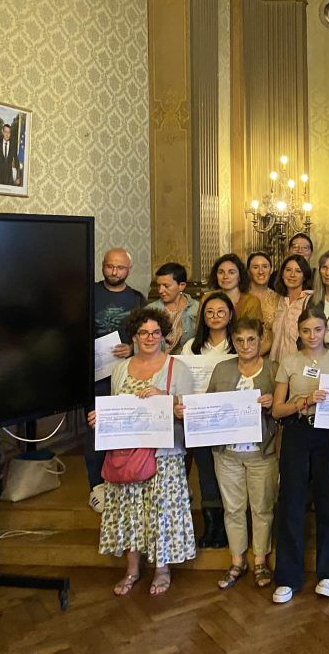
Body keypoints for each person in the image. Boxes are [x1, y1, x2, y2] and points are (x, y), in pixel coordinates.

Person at [88, 307, 195, 596]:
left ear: (163, 336)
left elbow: (191, 412)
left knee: (159, 512)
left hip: (163, 456)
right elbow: (116, 407)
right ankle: (133, 569)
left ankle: (162, 569)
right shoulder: (121, 368)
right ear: (134, 336)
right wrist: (101, 418)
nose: (150, 338)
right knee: (129, 512)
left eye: (155, 332)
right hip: (126, 454)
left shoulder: (177, 368)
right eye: (143, 333)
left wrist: (166, 398)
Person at [271, 306, 329, 603]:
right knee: (291, 503)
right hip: (297, 432)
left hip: (328, 434)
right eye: (306, 330)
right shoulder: (288, 361)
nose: (312, 335)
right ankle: (288, 577)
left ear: (326, 330)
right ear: (298, 333)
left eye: (317, 329)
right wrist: (303, 401)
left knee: (328, 501)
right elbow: (277, 408)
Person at [204, 318, 279, 591]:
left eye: (251, 340)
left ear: (261, 340)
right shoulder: (222, 369)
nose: (245, 345)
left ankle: (260, 559)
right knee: (233, 508)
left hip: (262, 452)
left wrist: (272, 404)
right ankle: (237, 560)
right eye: (239, 340)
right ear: (233, 342)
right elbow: (208, 405)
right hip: (227, 453)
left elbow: (283, 409)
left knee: (262, 508)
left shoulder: (273, 369)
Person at [89, 248, 147, 510]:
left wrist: (132, 349)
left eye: (120, 268)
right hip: (95, 375)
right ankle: (97, 486)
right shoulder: (88, 293)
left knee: (126, 429)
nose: (114, 272)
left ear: (128, 270)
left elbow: (147, 334)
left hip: (128, 375)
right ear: (103, 266)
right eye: (109, 267)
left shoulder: (137, 299)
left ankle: (125, 481)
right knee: (96, 428)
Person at [181, 292, 237, 550]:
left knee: (227, 471)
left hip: (228, 418)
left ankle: (229, 527)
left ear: (230, 315)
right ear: (203, 317)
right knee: (205, 472)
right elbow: (183, 382)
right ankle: (211, 526)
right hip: (200, 418)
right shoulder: (191, 346)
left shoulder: (237, 344)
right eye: (210, 313)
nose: (215, 317)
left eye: (221, 312)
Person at [147, 262, 199, 355]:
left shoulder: (197, 308)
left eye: (166, 286)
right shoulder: (150, 310)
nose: (160, 290)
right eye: (158, 285)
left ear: (181, 285)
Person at [270, 254, 314, 361]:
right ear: (282, 274)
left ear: (304, 276)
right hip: (275, 365)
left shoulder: (310, 301)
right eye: (288, 270)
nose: (292, 275)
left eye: (298, 271)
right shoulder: (277, 300)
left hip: (297, 366)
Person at [205, 253, 263, 324]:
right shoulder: (206, 299)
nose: (225, 276)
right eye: (221, 272)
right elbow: (201, 330)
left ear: (239, 276)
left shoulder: (252, 302)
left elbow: (255, 332)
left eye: (231, 272)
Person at [247, 251, 279, 355]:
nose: (261, 271)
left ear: (271, 270)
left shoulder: (279, 299)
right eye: (255, 267)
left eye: (265, 266)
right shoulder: (242, 297)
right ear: (248, 271)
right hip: (242, 353)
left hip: (271, 355)